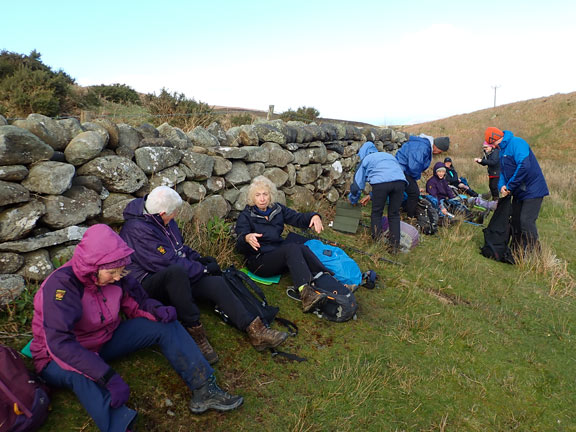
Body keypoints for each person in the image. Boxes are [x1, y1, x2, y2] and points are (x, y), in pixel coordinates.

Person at [30, 224, 243, 432]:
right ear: (92, 266)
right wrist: (107, 376)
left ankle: (204, 388)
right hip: (56, 357)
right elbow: (60, 344)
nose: (117, 277)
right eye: (112, 272)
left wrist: (157, 310)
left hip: (104, 339)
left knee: (164, 325)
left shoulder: (117, 274)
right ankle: (120, 425)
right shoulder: (61, 287)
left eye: (120, 272)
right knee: (82, 377)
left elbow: (138, 303)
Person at [119, 186, 289, 365]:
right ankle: (195, 330)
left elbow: (180, 249)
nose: (175, 215)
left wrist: (200, 260)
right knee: (176, 273)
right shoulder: (137, 229)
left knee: (216, 283)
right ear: (162, 213)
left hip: (176, 276)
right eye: (174, 213)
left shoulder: (163, 221)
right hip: (148, 284)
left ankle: (256, 331)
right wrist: (202, 269)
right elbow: (168, 263)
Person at [234, 176, 331, 312]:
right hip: (259, 261)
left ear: (270, 196)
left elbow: (297, 218)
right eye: (257, 195)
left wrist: (314, 216)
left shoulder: (277, 209)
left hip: (278, 255)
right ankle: (306, 295)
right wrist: (246, 237)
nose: (262, 199)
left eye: (265, 194)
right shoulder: (246, 216)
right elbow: (239, 242)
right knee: (291, 248)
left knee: (301, 247)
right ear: (252, 198)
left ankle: (328, 279)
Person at [484, 127, 549, 252]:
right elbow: (502, 172)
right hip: (518, 191)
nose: (493, 146)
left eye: (492, 143)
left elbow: (524, 166)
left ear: (495, 139)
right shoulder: (502, 150)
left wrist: (509, 186)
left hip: (533, 189)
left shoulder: (518, 143)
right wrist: (501, 186)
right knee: (515, 220)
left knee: (526, 221)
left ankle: (534, 255)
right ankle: (517, 251)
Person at [348, 141, 407, 251]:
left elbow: (357, 184)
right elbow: (391, 175)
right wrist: (371, 195)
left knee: (377, 213)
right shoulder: (388, 156)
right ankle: (394, 247)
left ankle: (377, 244)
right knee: (394, 214)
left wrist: (353, 199)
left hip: (381, 184)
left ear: (363, 152)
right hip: (400, 182)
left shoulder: (366, 159)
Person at [395, 134, 450, 218]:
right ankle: (410, 216)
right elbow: (414, 165)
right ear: (436, 145)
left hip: (402, 168)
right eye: (440, 151)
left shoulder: (424, 145)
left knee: (407, 190)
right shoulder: (423, 147)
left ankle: (401, 210)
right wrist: (414, 179)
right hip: (401, 168)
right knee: (414, 193)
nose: (439, 153)